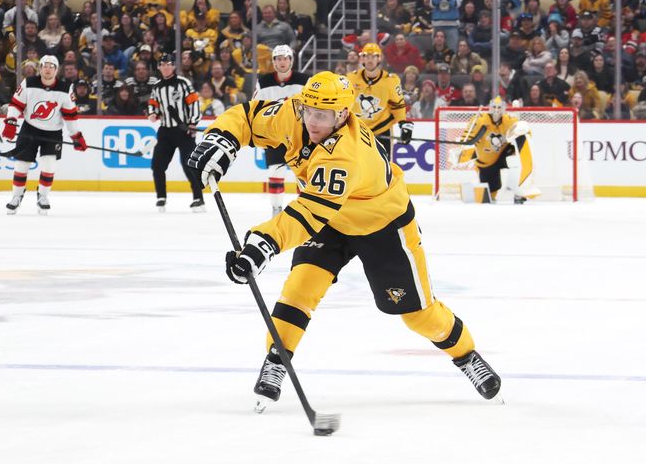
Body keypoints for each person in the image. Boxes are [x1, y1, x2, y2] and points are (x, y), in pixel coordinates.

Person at [186, 71, 502, 413]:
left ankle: (466, 355)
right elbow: (247, 116)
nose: (311, 120)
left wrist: (262, 243)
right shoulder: (295, 114)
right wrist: (222, 139)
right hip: (331, 221)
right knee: (300, 287)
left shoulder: (346, 153)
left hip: (382, 225)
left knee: (418, 315)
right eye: (308, 110)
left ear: (342, 114)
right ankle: (277, 359)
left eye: (322, 115)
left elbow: (309, 212)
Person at [1, 55, 87, 216]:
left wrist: (76, 136)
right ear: (40, 68)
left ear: (56, 70)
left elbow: (70, 115)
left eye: (51, 66)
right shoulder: (28, 83)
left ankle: (43, 196)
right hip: (29, 128)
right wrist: (11, 122)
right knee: (22, 164)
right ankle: (17, 196)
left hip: (53, 132)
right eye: (44, 66)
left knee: (49, 165)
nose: (48, 69)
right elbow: (16, 104)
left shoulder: (65, 88)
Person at [252, 45, 309, 217]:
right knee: (275, 171)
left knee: (303, 174)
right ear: (273, 61)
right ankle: (276, 210)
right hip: (274, 136)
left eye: (285, 58)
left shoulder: (305, 80)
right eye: (278, 58)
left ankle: (304, 209)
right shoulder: (263, 81)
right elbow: (255, 109)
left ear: (291, 60)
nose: (282, 62)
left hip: (299, 135)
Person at [451, 97, 540, 204]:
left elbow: (523, 130)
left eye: (499, 107)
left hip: (503, 154)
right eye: (494, 107)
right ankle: (493, 195)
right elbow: (467, 137)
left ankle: (520, 192)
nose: (496, 110)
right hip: (486, 163)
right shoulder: (480, 120)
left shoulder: (508, 120)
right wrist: (461, 149)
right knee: (491, 196)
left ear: (504, 109)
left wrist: (522, 128)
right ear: (489, 107)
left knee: (516, 158)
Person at [147, 54, 205, 212]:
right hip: (165, 131)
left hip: (184, 131)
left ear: (173, 66)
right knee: (157, 165)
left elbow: (194, 103)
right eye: (162, 64)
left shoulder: (183, 83)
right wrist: (153, 113)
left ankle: (198, 198)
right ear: (159, 67)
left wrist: (193, 123)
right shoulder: (157, 86)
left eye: (169, 64)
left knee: (189, 164)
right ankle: (161, 197)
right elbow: (153, 104)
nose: (166, 67)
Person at [346, 43, 413, 155]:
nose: (370, 60)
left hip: (382, 130)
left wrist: (403, 123)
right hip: (358, 130)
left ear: (379, 58)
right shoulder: (351, 78)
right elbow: (345, 102)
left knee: (383, 168)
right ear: (362, 58)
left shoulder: (390, 80)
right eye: (367, 56)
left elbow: (398, 105)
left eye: (373, 56)